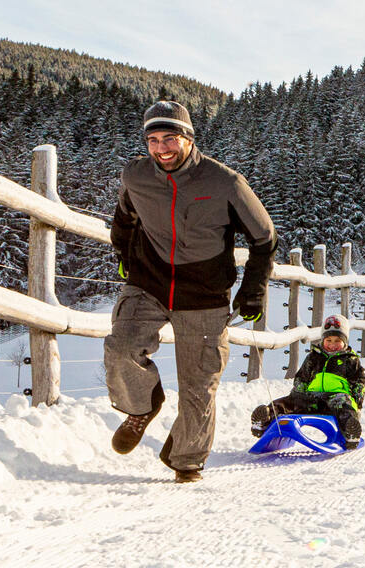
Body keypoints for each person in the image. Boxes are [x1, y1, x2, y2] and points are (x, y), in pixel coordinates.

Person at [104, 100, 277, 483]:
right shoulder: (136, 175)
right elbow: (125, 217)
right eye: (153, 139)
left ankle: (186, 460)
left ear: (188, 138)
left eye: (170, 138)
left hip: (204, 291)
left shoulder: (224, 182)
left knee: (199, 385)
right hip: (148, 280)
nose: (161, 148)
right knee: (120, 348)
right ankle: (142, 407)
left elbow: (264, 238)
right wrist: (123, 251)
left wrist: (253, 290)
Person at [251, 316, 365, 448]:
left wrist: (356, 403)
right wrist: (298, 393)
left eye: (337, 341)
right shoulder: (314, 356)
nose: (332, 344)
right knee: (288, 403)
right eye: (328, 340)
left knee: (344, 407)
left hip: (336, 397)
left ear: (345, 342)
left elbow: (359, 382)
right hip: (312, 397)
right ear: (323, 339)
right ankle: (265, 419)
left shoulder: (350, 360)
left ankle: (350, 431)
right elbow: (302, 376)